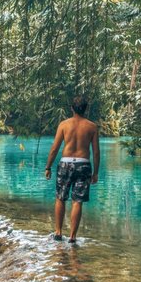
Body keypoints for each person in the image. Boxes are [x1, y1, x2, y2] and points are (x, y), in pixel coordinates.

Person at [45, 96, 100, 244]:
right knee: (77, 201)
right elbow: (95, 152)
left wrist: (48, 166)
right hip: (83, 164)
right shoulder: (92, 127)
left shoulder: (64, 124)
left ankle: (58, 232)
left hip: (65, 164)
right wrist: (95, 172)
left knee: (60, 198)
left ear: (72, 108)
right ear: (85, 109)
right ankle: (72, 237)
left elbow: (55, 148)